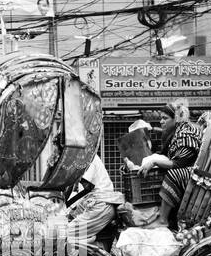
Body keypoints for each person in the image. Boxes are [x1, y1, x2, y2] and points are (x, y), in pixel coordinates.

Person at [129, 100, 201, 229]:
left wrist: (154, 161)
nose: (161, 121)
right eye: (160, 118)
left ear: (177, 118)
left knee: (173, 173)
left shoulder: (186, 133)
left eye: (165, 118)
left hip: (194, 177)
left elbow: (179, 163)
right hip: (187, 175)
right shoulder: (175, 133)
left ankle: (163, 219)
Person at [67, 153, 125, 243]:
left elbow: (85, 188)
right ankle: (84, 241)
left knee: (61, 234)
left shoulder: (87, 157)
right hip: (97, 204)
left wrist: (67, 207)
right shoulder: (83, 158)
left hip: (99, 205)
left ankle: (85, 241)